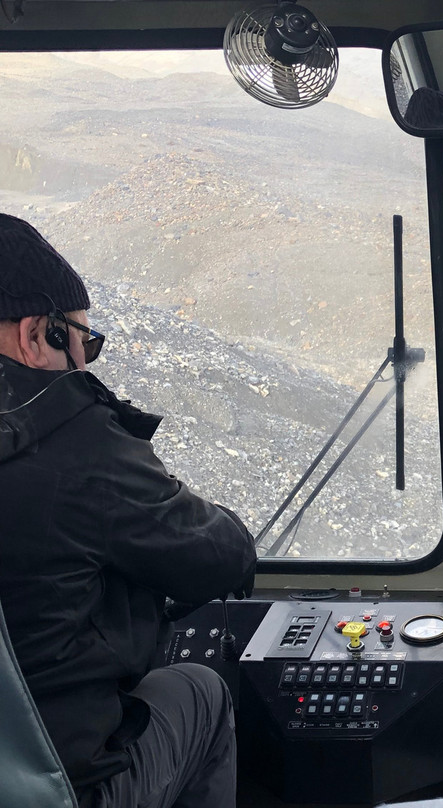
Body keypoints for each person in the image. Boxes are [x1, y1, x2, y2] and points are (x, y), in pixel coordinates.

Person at [0, 213, 257, 808]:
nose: (87, 362)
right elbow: (219, 557)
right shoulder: (71, 437)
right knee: (199, 690)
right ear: (37, 334)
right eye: (84, 340)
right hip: (54, 789)